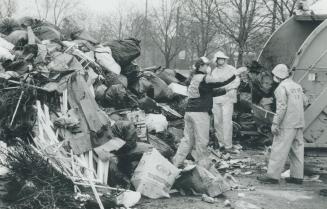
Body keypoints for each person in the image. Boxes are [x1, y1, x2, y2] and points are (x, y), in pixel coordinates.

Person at [172, 57, 236, 168]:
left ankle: (176, 163)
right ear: (200, 66)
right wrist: (235, 75)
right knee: (202, 141)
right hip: (200, 113)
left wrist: (227, 89)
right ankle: (204, 167)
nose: (208, 67)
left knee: (187, 140)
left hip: (190, 112)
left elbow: (209, 93)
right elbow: (221, 81)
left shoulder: (194, 78)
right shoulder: (204, 78)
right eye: (206, 65)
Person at [258, 64, 308, 184]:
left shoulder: (281, 88)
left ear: (277, 76)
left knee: (278, 149)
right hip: (299, 123)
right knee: (297, 150)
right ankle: (297, 177)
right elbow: (305, 102)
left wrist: (275, 123)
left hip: (287, 123)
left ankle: (273, 176)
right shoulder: (297, 86)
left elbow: (281, 108)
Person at [206, 51, 240, 150]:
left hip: (228, 98)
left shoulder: (232, 69)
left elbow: (236, 81)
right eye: (219, 59)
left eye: (222, 58)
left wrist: (228, 88)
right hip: (216, 99)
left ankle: (228, 145)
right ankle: (220, 143)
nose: (221, 60)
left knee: (227, 121)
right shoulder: (214, 71)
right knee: (217, 122)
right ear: (216, 60)